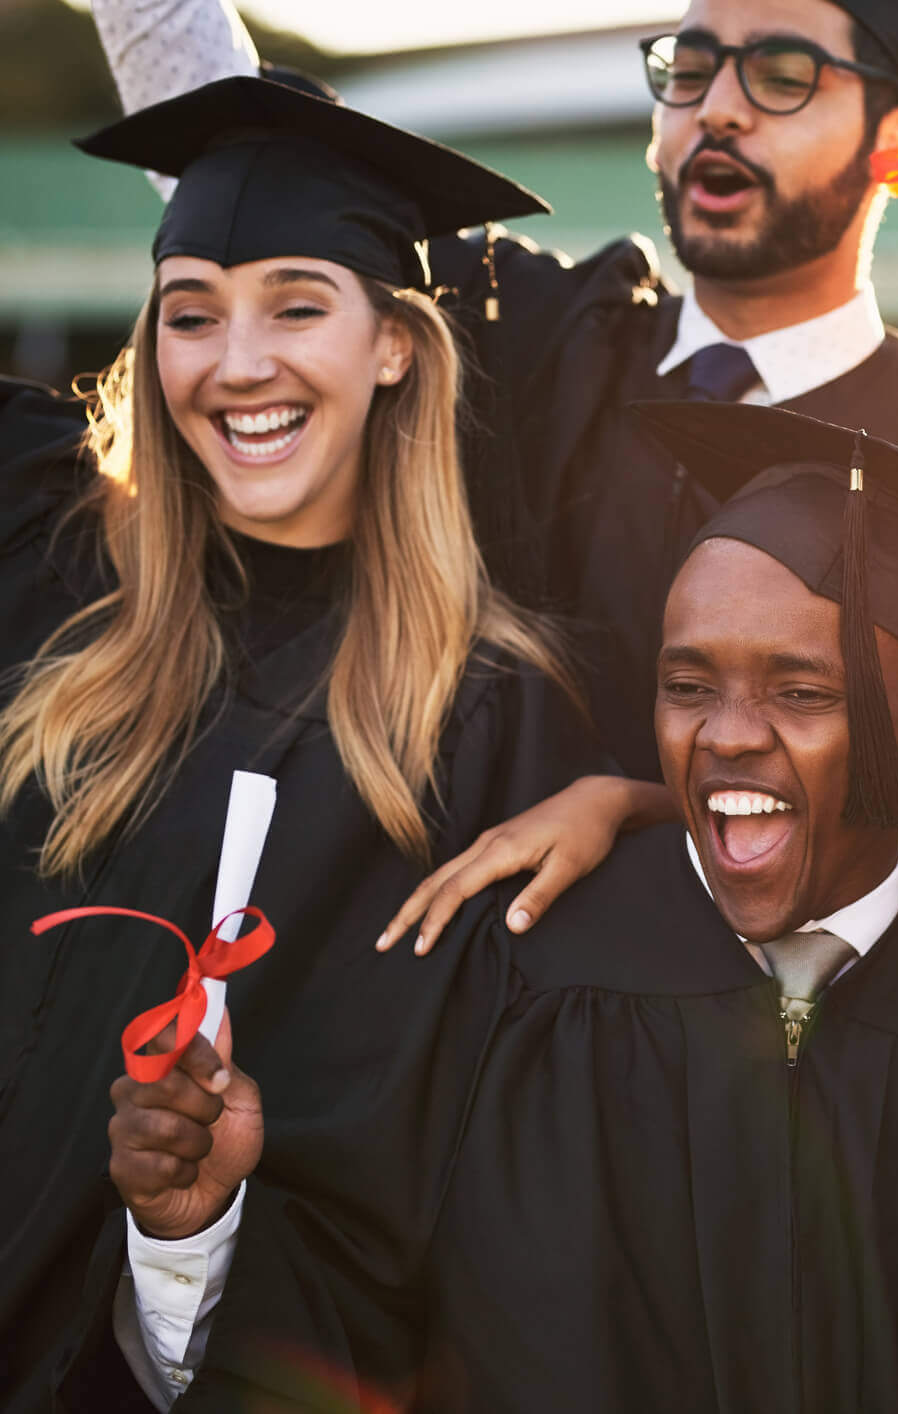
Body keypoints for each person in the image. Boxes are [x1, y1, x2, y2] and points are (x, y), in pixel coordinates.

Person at [75, 401, 898, 1411]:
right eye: (688, 686)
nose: (728, 736)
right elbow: (342, 1315)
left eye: (800, 692)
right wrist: (190, 1238)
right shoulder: (513, 968)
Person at [87, 0, 898, 824]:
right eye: (690, 67)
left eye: (782, 74)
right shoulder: (536, 337)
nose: (717, 107)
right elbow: (262, 148)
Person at [0, 78, 604, 1412]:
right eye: (192, 314)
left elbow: (396, 1201)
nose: (236, 363)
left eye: (295, 304)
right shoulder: (52, 584)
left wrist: (183, 1240)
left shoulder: (481, 721)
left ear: (393, 343)